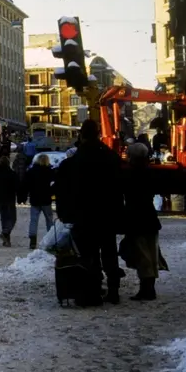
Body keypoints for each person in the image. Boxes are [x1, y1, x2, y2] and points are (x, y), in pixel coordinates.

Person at [54, 119, 126, 306]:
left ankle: (92, 291)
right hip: (107, 216)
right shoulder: (111, 158)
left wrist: (64, 213)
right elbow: (120, 187)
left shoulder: (73, 163)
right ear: (98, 134)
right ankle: (113, 291)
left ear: (82, 135)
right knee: (110, 253)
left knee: (88, 255)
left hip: (83, 217)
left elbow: (63, 191)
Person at [119, 142, 167, 300]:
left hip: (135, 217)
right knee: (152, 254)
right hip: (149, 216)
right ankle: (149, 287)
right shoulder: (151, 172)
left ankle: (146, 289)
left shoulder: (129, 174)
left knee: (141, 254)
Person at [24, 152, 57, 250]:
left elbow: (26, 185)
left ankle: (33, 241)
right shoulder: (50, 171)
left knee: (33, 220)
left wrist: (24, 196)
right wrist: (52, 194)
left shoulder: (31, 171)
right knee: (49, 220)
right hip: (46, 199)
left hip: (35, 199)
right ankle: (51, 240)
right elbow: (54, 185)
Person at [0, 155, 19, 247]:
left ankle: (6, 239)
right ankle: (5, 233)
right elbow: (17, 187)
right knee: (12, 219)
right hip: (10, 198)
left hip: (1, 199)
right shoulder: (12, 174)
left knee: (4, 219)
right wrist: (21, 197)